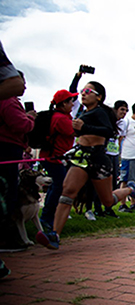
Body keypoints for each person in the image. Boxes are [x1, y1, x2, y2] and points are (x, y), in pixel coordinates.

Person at [36, 81, 135, 250]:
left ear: (99, 96)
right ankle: (54, 235)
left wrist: (85, 127)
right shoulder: (82, 112)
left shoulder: (100, 112)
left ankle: (130, 189)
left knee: (107, 201)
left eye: (87, 91)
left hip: (98, 158)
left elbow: (109, 132)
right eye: (82, 91)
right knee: (67, 192)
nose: (83, 94)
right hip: (81, 157)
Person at [0, 50, 34, 255]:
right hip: (6, 148)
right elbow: (19, 124)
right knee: (8, 190)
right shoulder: (8, 100)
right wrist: (30, 119)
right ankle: (6, 236)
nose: (23, 86)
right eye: (21, 80)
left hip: (12, 147)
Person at [39, 90, 77, 230]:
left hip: (55, 157)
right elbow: (74, 131)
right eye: (70, 101)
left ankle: (49, 216)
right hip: (54, 158)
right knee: (59, 186)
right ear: (63, 104)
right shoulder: (60, 119)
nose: (73, 104)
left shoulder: (63, 117)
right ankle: (47, 217)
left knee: (57, 186)